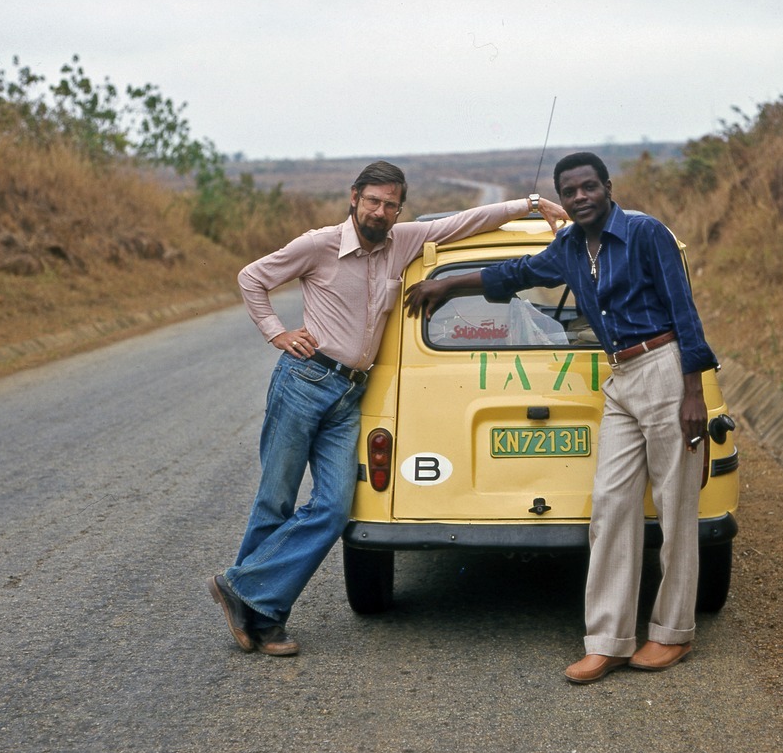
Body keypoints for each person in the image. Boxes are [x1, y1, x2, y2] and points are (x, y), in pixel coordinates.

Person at [208, 160, 558, 655]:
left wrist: (531, 203)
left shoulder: (406, 241)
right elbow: (251, 278)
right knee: (277, 499)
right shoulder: (318, 244)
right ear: (354, 198)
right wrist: (278, 333)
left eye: (391, 203)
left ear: (399, 208)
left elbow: (466, 221)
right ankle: (262, 616)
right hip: (306, 380)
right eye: (373, 200)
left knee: (333, 508)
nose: (381, 211)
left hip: (352, 392)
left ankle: (242, 591)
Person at [404, 151, 718, 683]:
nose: (579, 197)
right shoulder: (570, 247)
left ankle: (672, 633)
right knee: (611, 506)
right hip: (619, 376)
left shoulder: (646, 234)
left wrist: (694, 393)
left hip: (665, 369)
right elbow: (515, 274)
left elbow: (684, 312)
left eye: (588, 187)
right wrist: (448, 285)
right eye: (569, 191)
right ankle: (609, 641)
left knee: (674, 509)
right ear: (563, 197)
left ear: (607, 187)